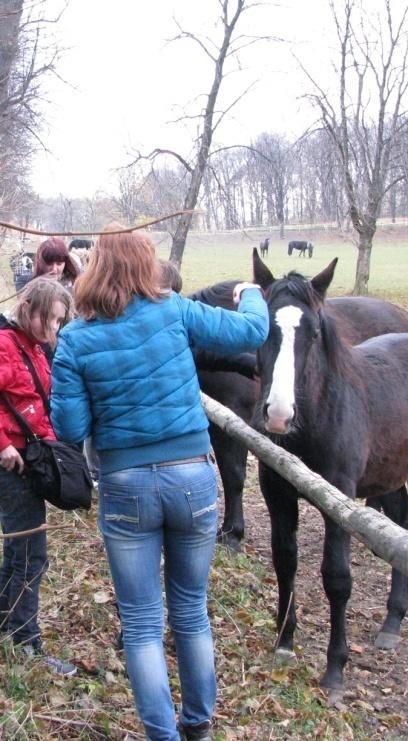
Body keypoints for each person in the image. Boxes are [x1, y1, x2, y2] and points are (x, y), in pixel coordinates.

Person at [50, 224, 268, 741]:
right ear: (146, 265)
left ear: (95, 267)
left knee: (144, 624)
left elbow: (70, 429)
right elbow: (253, 332)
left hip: (126, 486)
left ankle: (162, 735)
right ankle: (198, 727)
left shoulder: (77, 338)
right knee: (191, 610)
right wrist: (252, 292)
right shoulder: (173, 310)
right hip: (192, 478)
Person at [0, 277, 77, 676]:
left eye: (59, 322)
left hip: (30, 460)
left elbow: (34, 401)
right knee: (30, 555)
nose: (54, 329)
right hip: (12, 465)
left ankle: (4, 624)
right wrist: (1, 441)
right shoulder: (2, 345)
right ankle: (25, 640)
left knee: (20, 551)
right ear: (30, 309)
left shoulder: (32, 347)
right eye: (50, 320)